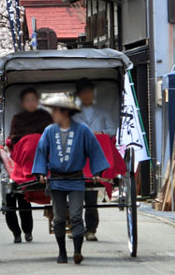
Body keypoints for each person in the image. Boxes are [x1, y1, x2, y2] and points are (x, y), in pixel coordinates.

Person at [32, 95, 109, 265]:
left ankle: (77, 251)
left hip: (76, 179)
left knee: (76, 216)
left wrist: (97, 171)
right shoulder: (49, 131)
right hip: (57, 180)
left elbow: (94, 149)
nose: (53, 114)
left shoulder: (82, 130)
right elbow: (41, 152)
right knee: (58, 218)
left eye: (56, 111)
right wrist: (41, 172)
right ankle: (61, 252)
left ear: (65, 112)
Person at [6, 88, 53, 244]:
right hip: (24, 151)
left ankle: (27, 231)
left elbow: (52, 135)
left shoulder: (46, 116)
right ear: (23, 103)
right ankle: (16, 232)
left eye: (34, 100)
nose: (31, 103)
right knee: (14, 199)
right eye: (28, 100)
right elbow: (13, 139)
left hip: (43, 151)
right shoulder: (18, 118)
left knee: (39, 143)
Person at [73, 78, 116, 241]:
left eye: (89, 92)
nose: (87, 95)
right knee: (75, 197)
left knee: (90, 197)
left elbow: (112, 130)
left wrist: (101, 133)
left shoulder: (103, 112)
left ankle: (91, 229)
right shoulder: (73, 114)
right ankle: (77, 227)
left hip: (97, 156)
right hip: (79, 158)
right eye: (83, 93)